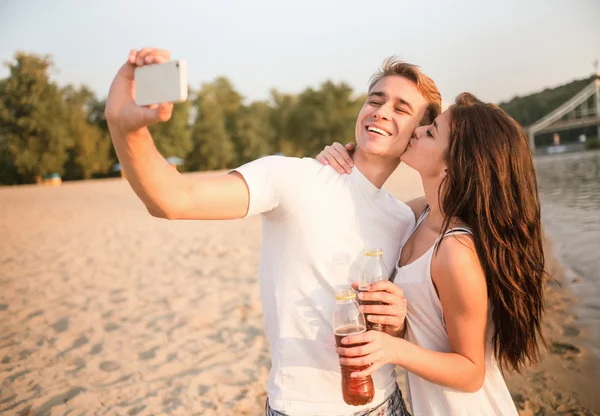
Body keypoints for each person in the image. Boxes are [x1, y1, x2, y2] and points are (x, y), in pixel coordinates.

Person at [104, 47, 442, 415]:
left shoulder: (405, 219)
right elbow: (173, 199)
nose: (381, 111)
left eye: (401, 108)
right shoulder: (293, 178)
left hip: (387, 403)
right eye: (375, 100)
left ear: (418, 134)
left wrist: (395, 322)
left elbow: (407, 331)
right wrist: (124, 127)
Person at [316, 93, 547, 415]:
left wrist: (392, 348)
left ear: (452, 165)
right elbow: (359, 209)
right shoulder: (422, 213)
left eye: (431, 131)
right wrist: (335, 162)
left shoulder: (455, 251)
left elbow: (471, 373)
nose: (418, 130)